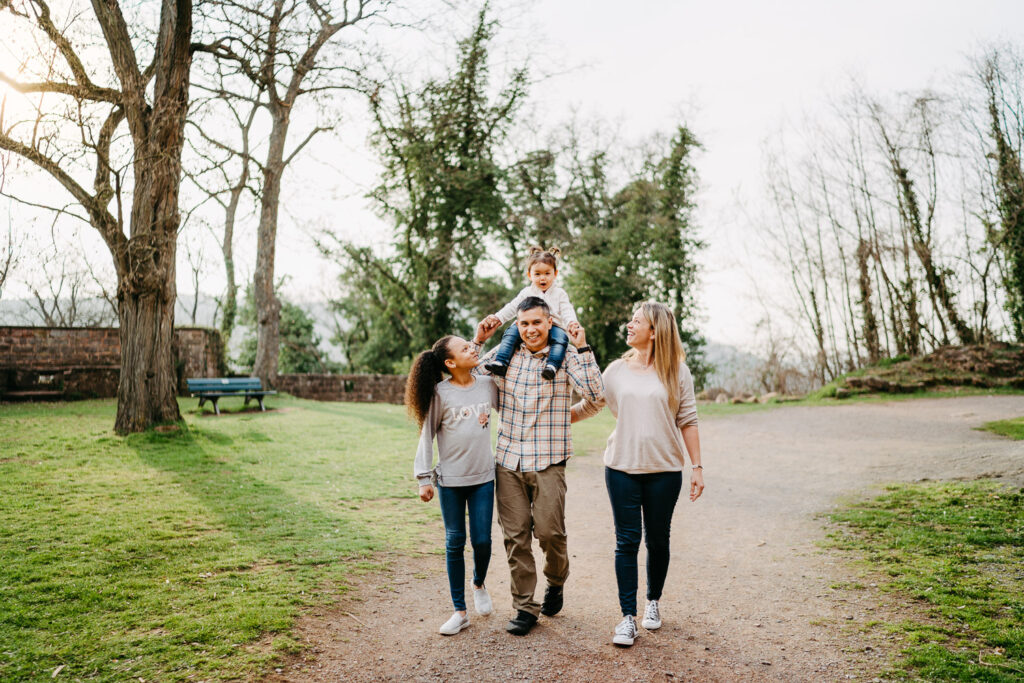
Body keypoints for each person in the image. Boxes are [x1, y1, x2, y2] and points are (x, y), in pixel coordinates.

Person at [571, 301, 704, 647]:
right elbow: (593, 404)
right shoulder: (616, 370)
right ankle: (627, 617)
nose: (629, 325)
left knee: (658, 539)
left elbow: (687, 420)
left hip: (664, 471)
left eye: (636, 321)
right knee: (626, 541)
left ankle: (653, 602)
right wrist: (557, 418)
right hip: (621, 469)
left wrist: (697, 468)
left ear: (655, 331)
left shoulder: (677, 372)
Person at [472, 296, 604, 636]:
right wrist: (478, 342)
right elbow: (467, 378)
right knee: (515, 538)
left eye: (537, 323)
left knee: (549, 534)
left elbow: (596, 395)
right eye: (524, 323)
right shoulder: (505, 355)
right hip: (507, 459)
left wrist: (583, 347)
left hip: (548, 459)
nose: (530, 329)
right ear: (517, 325)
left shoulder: (566, 356)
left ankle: (556, 581)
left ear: (550, 324)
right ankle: (525, 607)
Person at [407, 335, 499, 636]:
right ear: (450, 362)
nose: (473, 348)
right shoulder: (439, 394)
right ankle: (459, 611)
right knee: (454, 542)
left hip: (484, 477)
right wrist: (424, 479)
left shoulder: (487, 384)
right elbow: (426, 435)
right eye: (465, 348)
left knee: (482, 541)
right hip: (450, 481)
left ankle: (479, 582)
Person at [481, 246, 580, 380]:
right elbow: (512, 307)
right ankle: (501, 361)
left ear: (555, 274)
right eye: (537, 274)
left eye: (547, 273)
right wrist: (498, 317)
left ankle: (552, 366)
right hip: (529, 325)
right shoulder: (527, 292)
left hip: (554, 326)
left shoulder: (559, 293)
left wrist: (571, 324)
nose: (542, 278)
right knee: (510, 333)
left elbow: (567, 310)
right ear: (529, 275)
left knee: (561, 340)